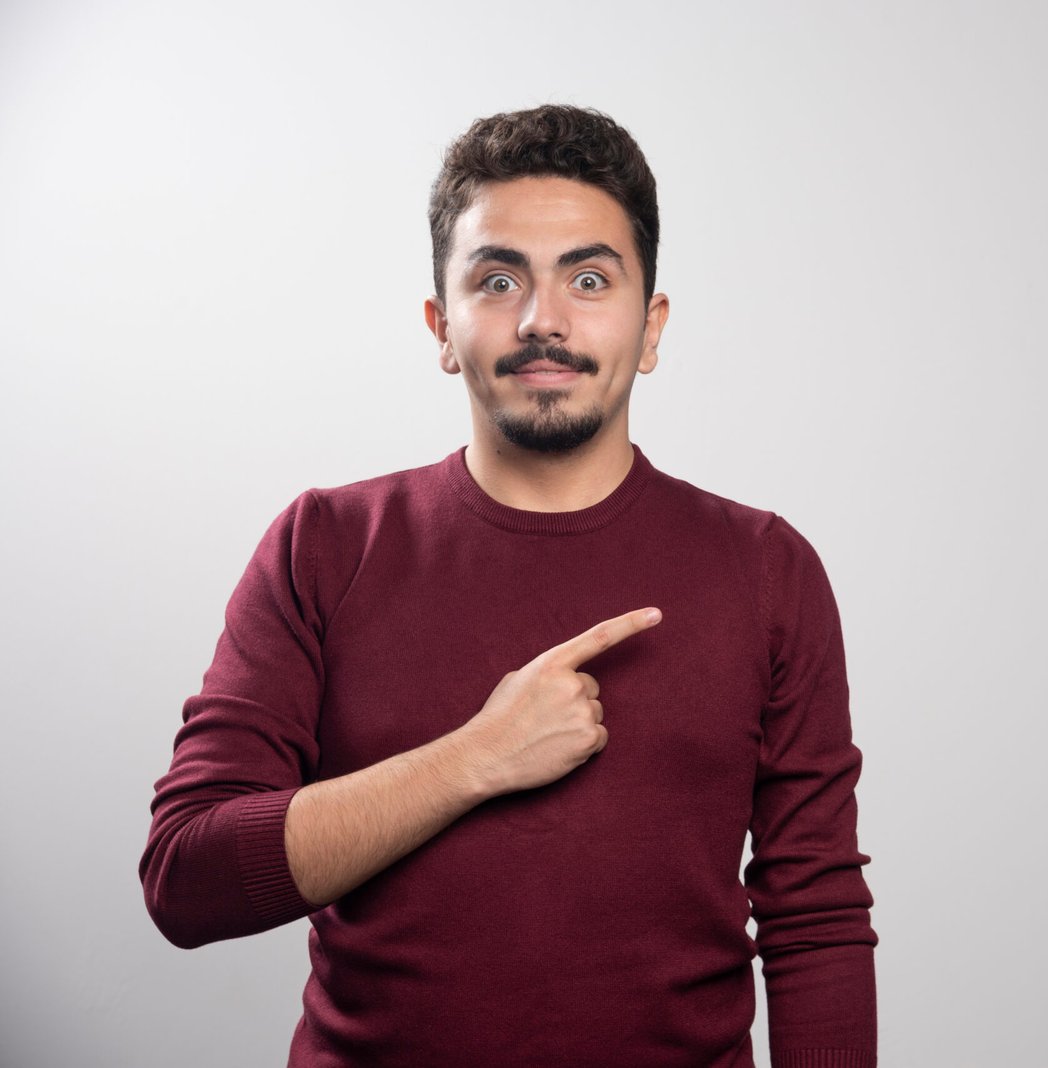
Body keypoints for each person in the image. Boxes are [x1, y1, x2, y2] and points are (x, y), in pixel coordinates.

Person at [140, 105, 877, 1067]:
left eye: (589, 279)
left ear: (651, 327)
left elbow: (815, 918)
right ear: (442, 327)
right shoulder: (323, 546)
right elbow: (187, 878)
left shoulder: (767, 569)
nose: (542, 320)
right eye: (498, 281)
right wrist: (475, 758)